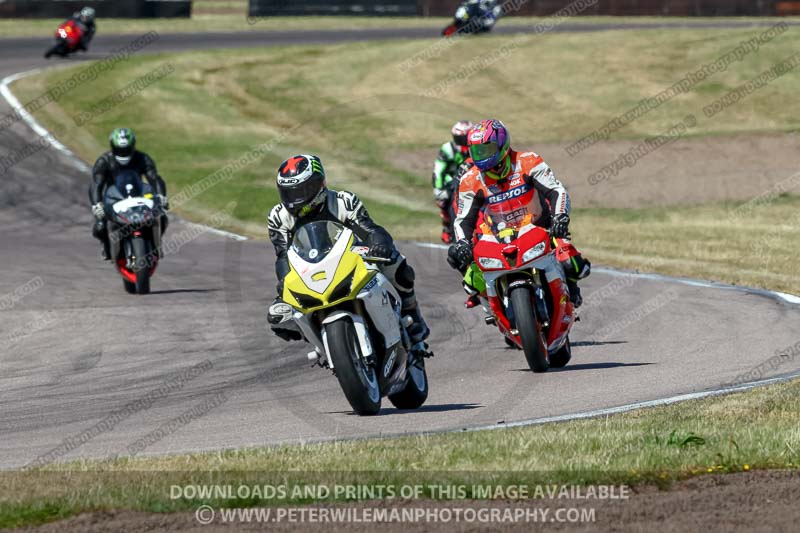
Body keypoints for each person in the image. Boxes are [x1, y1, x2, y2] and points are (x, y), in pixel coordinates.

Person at [267, 154, 430, 345]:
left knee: (395, 262)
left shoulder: (343, 202)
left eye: (302, 191)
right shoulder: (278, 217)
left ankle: (411, 312)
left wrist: (380, 244)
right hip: (308, 269)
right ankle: (317, 336)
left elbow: (371, 229)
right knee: (278, 315)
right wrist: (284, 281)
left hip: (350, 256)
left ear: (319, 184)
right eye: (288, 194)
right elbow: (283, 256)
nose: (294, 200)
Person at [447, 119, 591, 307]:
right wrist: (463, 243)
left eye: (486, 150)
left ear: (501, 143)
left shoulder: (529, 161)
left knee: (573, 264)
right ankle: (490, 309)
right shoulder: (470, 179)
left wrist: (560, 217)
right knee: (471, 282)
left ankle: (570, 290)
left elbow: (557, 191)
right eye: (477, 151)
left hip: (540, 228)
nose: (482, 156)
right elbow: (463, 219)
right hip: (497, 237)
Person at [89, 128, 169, 260]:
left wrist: (161, 196)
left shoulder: (142, 158)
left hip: (139, 196)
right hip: (113, 198)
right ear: (113, 147)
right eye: (120, 150)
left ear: (133, 146)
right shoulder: (104, 161)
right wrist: (97, 204)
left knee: (162, 216)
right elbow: (97, 184)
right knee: (99, 227)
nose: (123, 153)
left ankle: (156, 244)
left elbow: (154, 178)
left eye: (126, 150)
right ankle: (107, 246)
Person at [432, 120, 472, 243]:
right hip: (452, 183)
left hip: (472, 181)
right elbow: (438, 170)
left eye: (464, 138)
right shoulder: (448, 149)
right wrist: (438, 189)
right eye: (459, 138)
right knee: (444, 202)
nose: (462, 141)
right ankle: (447, 228)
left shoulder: (475, 148)